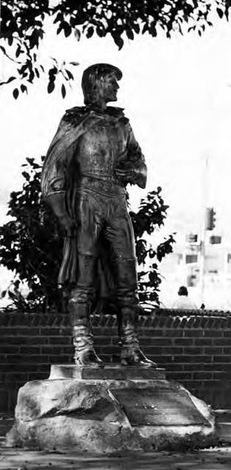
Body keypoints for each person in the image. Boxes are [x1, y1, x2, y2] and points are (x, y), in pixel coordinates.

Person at [41, 63, 156, 368]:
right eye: (111, 82)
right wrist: (62, 213)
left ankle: (130, 347)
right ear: (95, 84)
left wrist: (133, 170)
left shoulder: (122, 125)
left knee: (127, 277)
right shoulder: (74, 121)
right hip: (86, 200)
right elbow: (56, 167)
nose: (116, 88)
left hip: (117, 201)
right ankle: (82, 348)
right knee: (83, 278)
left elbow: (140, 161)